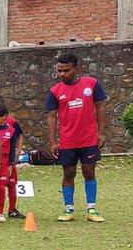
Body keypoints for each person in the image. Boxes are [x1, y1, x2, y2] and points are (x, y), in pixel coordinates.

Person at [44, 53, 107, 222]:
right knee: (68, 173)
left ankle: (91, 209)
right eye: (59, 71)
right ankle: (68, 209)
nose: (62, 74)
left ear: (76, 69)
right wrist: (52, 141)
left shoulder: (91, 84)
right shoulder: (54, 91)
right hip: (67, 141)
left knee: (89, 172)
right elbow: (51, 116)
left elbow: (100, 107)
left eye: (66, 70)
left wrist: (101, 132)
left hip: (88, 139)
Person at [0, 94, 26, 219]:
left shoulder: (12, 125)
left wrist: (14, 159)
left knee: (8, 185)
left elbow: (18, 138)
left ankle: (9, 210)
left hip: (5, 161)